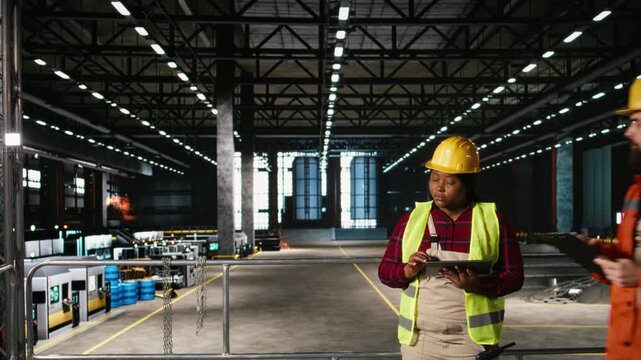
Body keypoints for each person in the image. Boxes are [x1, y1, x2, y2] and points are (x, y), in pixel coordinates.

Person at [378, 136, 524, 360]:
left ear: (467, 184)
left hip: (471, 343)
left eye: (450, 181)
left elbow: (515, 276)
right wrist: (406, 271)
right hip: (420, 342)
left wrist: (478, 284)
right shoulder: (412, 220)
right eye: (434, 178)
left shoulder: (494, 221)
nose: (439, 187)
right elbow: (386, 271)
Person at [586, 78, 641, 359]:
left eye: (639, 123)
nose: (628, 132)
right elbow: (630, 260)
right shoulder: (636, 192)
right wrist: (597, 254)